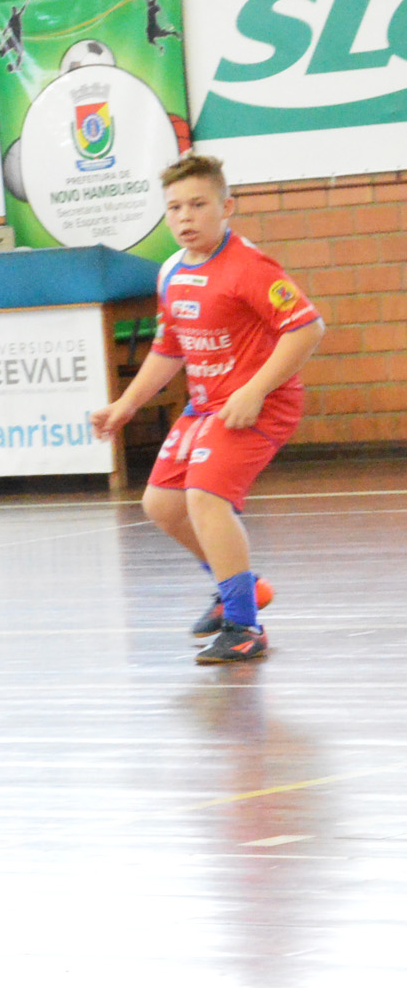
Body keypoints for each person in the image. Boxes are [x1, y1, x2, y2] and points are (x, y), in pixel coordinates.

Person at [89, 154, 324, 665]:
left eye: (198, 204)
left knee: (206, 496)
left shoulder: (249, 266)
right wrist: (126, 404)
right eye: (175, 207)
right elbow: (169, 349)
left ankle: (244, 626)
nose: (185, 217)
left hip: (258, 404)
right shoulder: (171, 271)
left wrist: (255, 390)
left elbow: (307, 329)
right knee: (161, 504)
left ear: (226, 207)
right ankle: (239, 585)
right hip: (206, 405)